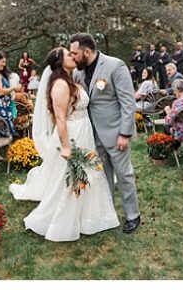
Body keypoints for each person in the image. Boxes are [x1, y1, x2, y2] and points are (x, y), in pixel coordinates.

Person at [8, 47, 119, 240]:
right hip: (73, 133)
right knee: (70, 177)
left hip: (84, 131)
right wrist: (66, 146)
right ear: (59, 62)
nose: (72, 56)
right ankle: (64, 219)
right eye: (68, 54)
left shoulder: (70, 79)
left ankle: (89, 216)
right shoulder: (60, 84)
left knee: (87, 172)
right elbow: (59, 117)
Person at [70, 33, 141, 234]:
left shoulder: (115, 66)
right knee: (102, 176)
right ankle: (107, 214)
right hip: (92, 134)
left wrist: (125, 134)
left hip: (116, 133)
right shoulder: (78, 73)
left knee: (124, 174)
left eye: (75, 53)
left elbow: (128, 102)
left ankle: (132, 215)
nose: (73, 57)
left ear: (87, 51)